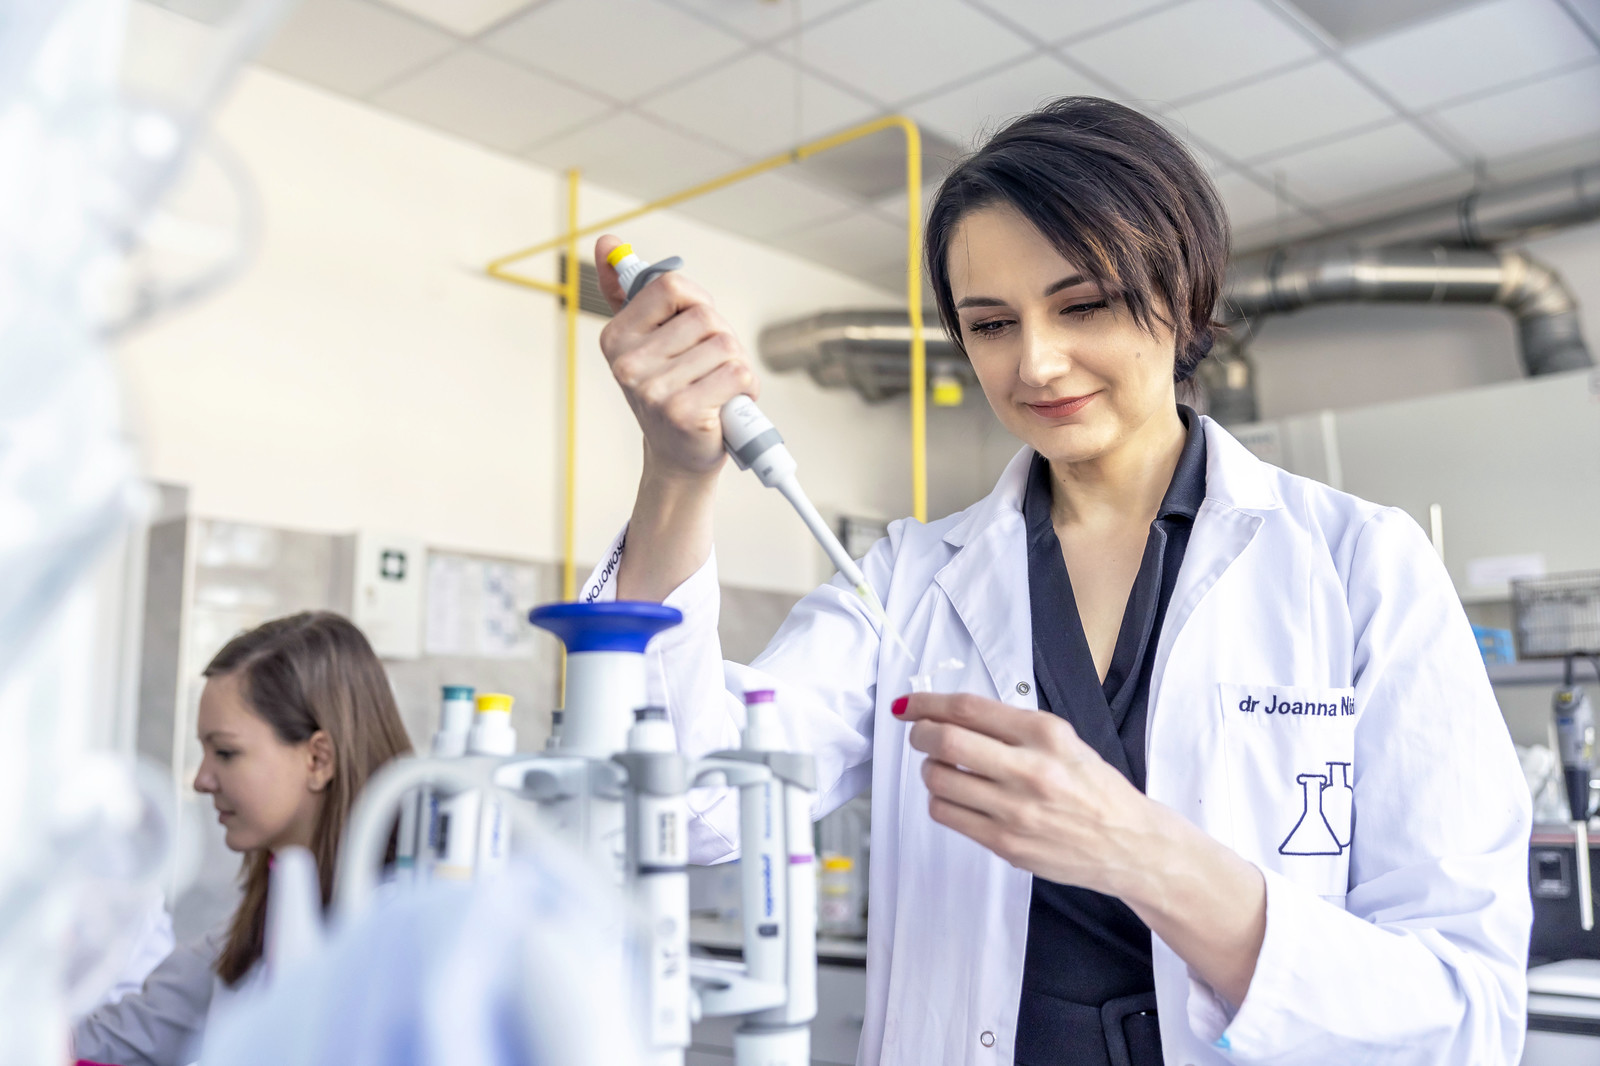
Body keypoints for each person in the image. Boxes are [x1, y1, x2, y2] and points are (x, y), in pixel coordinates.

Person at [582, 97, 1532, 1065]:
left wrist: (1140, 849)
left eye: (1083, 306)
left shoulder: (1361, 566)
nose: (1035, 362)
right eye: (992, 323)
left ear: (1182, 293)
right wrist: (678, 475)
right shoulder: (910, 582)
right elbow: (685, 806)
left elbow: (1465, 1011)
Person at [72, 612, 413, 1066]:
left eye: (226, 753)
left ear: (318, 759)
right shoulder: (252, 929)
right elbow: (123, 1036)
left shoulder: (398, 923)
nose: (201, 780)